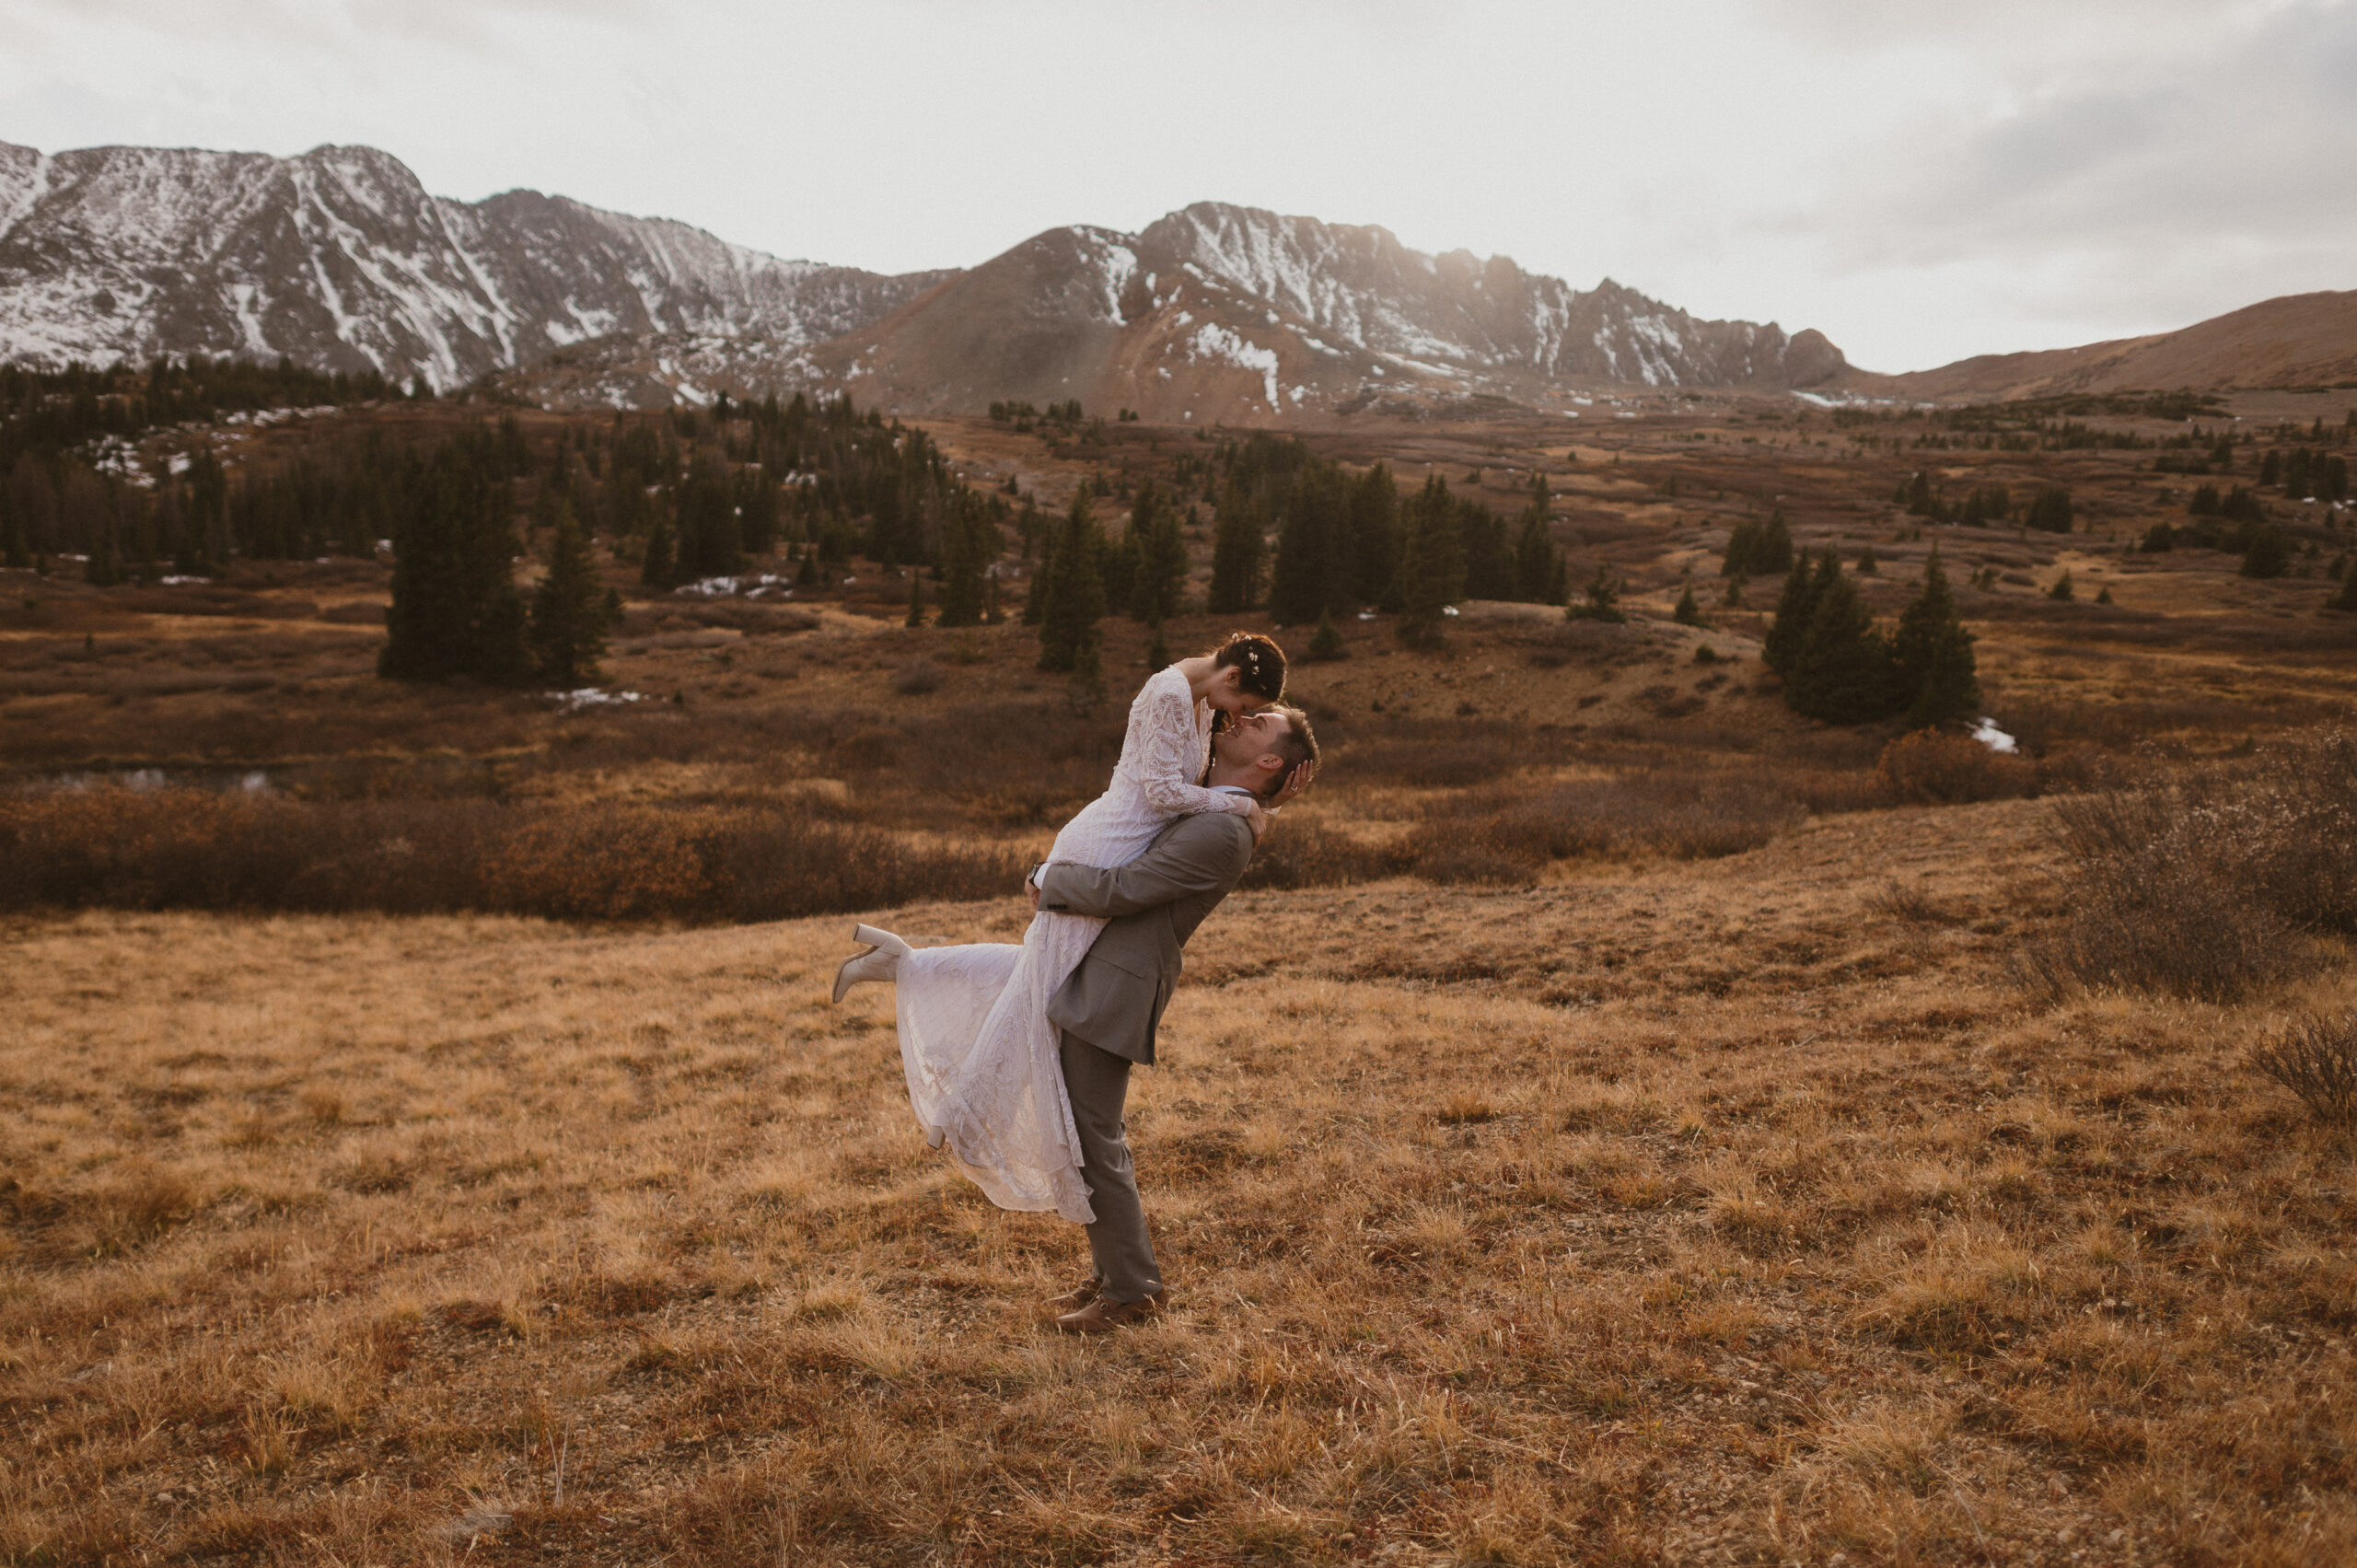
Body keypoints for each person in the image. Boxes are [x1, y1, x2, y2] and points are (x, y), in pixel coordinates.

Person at [830, 633, 1312, 1228]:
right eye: (1248, 706)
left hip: (1113, 846)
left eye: (1251, 717)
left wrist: (1271, 799)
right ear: (1232, 676)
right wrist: (1247, 808)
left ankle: (910, 969)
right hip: (1105, 849)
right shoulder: (1170, 693)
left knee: (1033, 973)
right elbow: (1168, 793)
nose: (1238, 719)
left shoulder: (1199, 702)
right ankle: (964, 1115)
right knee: (1038, 988)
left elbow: (1215, 778)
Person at [1029, 704, 1318, 1330]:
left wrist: (1048, 877)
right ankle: (1115, 1274)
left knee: (1092, 1137)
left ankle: (1132, 1291)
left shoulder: (1222, 831)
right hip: (1104, 973)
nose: (1242, 719)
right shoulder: (1222, 811)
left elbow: (1129, 886)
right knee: (1088, 1134)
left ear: (1270, 760)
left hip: (1117, 985)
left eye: (1261, 722)